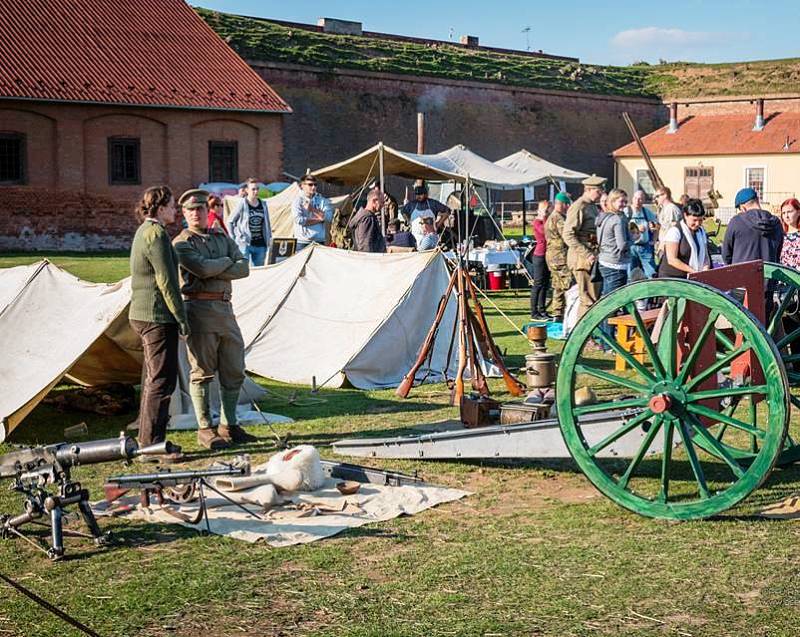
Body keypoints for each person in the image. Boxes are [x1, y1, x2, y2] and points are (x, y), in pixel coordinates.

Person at [173, 189, 256, 450]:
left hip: (225, 310)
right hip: (198, 310)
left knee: (234, 368)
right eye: (190, 210)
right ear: (184, 214)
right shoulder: (181, 243)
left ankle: (229, 425)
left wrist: (215, 265)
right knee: (202, 371)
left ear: (206, 212)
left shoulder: (221, 237)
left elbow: (244, 267)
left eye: (200, 209)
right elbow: (201, 268)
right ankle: (205, 428)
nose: (196, 214)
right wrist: (224, 263)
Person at [128, 186, 189, 463]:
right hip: (155, 315)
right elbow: (166, 282)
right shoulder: (155, 234)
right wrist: (181, 317)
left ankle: (150, 440)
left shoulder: (145, 231)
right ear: (160, 208)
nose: (176, 210)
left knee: (159, 379)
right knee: (161, 381)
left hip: (147, 315)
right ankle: (150, 446)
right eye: (173, 205)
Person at [563, 174, 606, 319]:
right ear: (588, 189)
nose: (601, 194)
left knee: (593, 299)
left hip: (591, 257)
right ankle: (586, 339)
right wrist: (587, 254)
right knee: (587, 300)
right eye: (598, 191)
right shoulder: (578, 207)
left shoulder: (591, 207)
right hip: (582, 260)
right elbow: (568, 234)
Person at [722, 187, 784, 266]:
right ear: (757, 200)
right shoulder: (776, 223)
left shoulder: (736, 222)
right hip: (769, 274)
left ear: (743, 208)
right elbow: (778, 253)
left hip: (742, 274)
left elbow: (726, 254)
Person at [658, 199, 711, 278]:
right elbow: (672, 259)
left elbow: (705, 255)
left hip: (691, 276)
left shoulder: (701, 231)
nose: (697, 224)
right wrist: (693, 272)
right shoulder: (675, 231)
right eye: (694, 220)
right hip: (672, 277)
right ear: (685, 215)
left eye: (700, 220)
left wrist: (705, 268)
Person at [596, 189, 632, 295]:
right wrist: (634, 239)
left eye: (625, 202)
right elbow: (622, 245)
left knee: (606, 296)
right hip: (615, 263)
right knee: (612, 301)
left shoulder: (603, 216)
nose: (624, 205)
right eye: (621, 201)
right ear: (612, 201)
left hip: (604, 260)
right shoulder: (617, 219)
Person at [229, 177, 271, 266]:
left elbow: (267, 224)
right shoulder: (242, 204)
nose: (256, 191)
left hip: (260, 244)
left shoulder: (263, 204)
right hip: (245, 244)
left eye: (257, 189)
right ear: (247, 190)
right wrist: (234, 238)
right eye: (253, 189)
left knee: (259, 271)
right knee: (243, 270)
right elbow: (230, 221)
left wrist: (269, 238)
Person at [545, 192, 572, 321]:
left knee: (558, 285)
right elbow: (566, 235)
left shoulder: (552, 217)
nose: (567, 207)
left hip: (552, 255)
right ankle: (565, 312)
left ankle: (557, 313)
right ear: (558, 204)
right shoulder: (558, 218)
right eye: (565, 204)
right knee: (567, 284)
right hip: (560, 256)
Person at [291, 174, 333, 250]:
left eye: (315, 185)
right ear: (302, 186)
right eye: (310, 185)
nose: (313, 187)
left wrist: (312, 209)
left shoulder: (322, 200)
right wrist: (319, 219)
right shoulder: (297, 201)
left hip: (319, 241)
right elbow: (298, 220)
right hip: (303, 242)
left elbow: (329, 218)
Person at [624, 190, 659, 278]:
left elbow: (657, 226)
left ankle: (652, 289)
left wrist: (653, 240)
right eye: (635, 198)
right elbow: (621, 228)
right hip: (631, 247)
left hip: (645, 247)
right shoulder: (626, 211)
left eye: (640, 199)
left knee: (651, 272)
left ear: (643, 200)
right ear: (632, 199)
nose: (637, 201)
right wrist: (635, 229)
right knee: (630, 273)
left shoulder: (646, 212)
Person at [348, 188, 387, 253]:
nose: (383, 205)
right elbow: (365, 246)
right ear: (374, 201)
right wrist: (369, 261)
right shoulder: (367, 218)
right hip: (369, 260)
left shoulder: (364, 216)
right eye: (381, 202)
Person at [530, 200, 551, 319]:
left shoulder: (546, 221)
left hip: (547, 255)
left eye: (547, 210)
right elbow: (545, 231)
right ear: (539, 210)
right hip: (539, 255)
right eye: (545, 210)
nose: (547, 212)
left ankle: (542, 310)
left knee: (545, 284)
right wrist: (543, 217)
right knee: (538, 284)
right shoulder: (537, 222)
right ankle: (534, 312)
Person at [653, 186, 682, 255]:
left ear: (665, 195)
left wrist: (662, 246)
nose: (656, 199)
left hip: (669, 246)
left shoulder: (671, 209)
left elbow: (671, 229)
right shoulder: (663, 209)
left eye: (657, 196)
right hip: (664, 245)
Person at [780, 198, 800, 269]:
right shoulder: (780, 236)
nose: (786, 216)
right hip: (782, 278)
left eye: (790, 212)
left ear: (798, 212)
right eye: (783, 213)